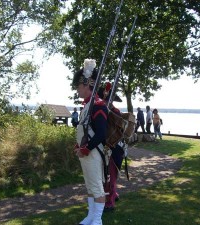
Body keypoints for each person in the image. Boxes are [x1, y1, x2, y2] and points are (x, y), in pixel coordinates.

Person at [72, 59, 108, 225]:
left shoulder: (98, 105)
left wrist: (86, 149)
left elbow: (101, 133)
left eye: (79, 86)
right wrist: (79, 146)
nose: (77, 90)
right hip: (86, 153)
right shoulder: (88, 105)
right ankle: (91, 216)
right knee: (90, 186)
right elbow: (85, 131)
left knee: (97, 187)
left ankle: (97, 220)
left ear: (87, 85)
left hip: (93, 153)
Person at [97, 84, 125, 212]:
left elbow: (115, 132)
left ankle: (110, 202)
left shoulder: (114, 112)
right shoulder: (109, 111)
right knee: (108, 174)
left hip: (114, 148)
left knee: (110, 175)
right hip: (110, 147)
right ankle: (115, 194)